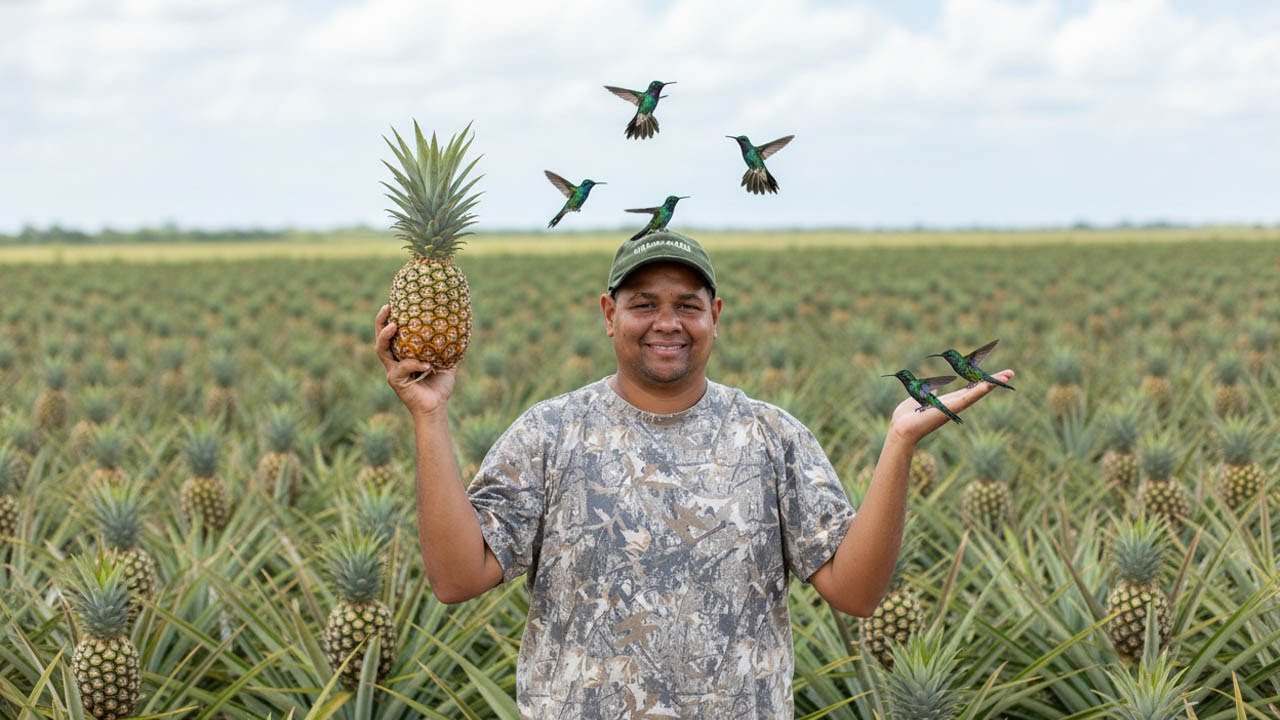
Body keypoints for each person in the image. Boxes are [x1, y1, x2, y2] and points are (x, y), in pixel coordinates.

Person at [374, 230, 1014, 717]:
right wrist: (428, 416)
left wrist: (899, 444)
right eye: (643, 303)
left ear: (715, 315)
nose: (667, 323)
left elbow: (857, 594)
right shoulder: (551, 432)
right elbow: (457, 579)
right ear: (608, 314)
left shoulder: (770, 435)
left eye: (688, 304)